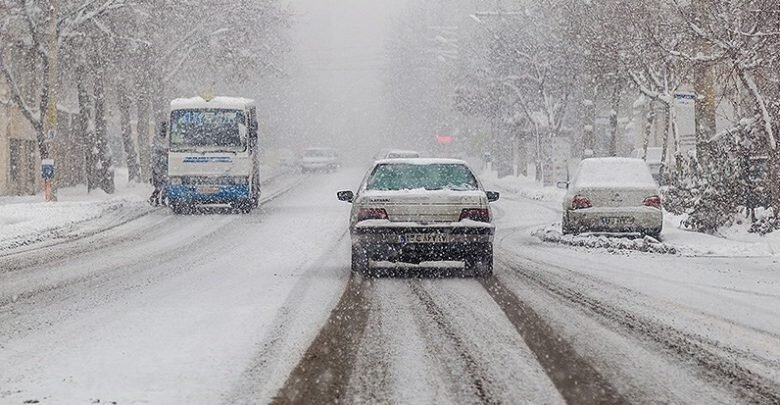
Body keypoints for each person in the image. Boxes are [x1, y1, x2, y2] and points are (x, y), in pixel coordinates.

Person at [149, 139, 169, 206]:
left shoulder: (161, 157)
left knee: (162, 188)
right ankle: (154, 199)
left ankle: (157, 200)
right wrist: (159, 174)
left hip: (161, 174)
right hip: (159, 175)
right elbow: (156, 167)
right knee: (160, 188)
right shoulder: (158, 157)